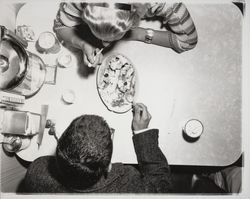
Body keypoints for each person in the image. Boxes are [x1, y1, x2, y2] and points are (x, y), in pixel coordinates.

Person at [24, 103, 172, 193]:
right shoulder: (128, 188)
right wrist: (142, 132)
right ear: (108, 167)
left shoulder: (36, 173)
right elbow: (161, 185)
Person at [53, 2, 198, 67]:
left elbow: (188, 42)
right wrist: (82, 43)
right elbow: (60, 26)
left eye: (119, 35)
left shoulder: (167, 4)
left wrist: (138, 34)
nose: (104, 44)